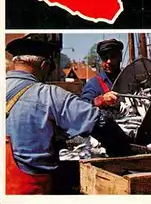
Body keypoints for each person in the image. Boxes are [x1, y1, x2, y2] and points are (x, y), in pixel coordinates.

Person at [5, 34, 132, 194]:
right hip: (31, 189)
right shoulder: (49, 94)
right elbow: (98, 122)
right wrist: (124, 151)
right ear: (44, 65)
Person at [81, 39, 124, 108]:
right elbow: (82, 107)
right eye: (105, 58)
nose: (109, 61)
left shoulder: (132, 80)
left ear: (120, 57)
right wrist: (101, 100)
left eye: (113, 56)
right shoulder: (93, 84)